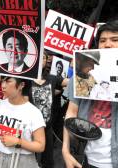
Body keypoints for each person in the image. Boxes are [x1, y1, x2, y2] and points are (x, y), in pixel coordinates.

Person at [0, 56, 46, 168]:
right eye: (2, 81)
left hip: (22, 161)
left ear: (21, 85)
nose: (3, 85)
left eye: (8, 81)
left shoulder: (33, 112)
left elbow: (40, 146)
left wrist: (18, 141)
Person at [62, 20, 118, 168]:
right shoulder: (81, 76)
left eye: (115, 40)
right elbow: (71, 113)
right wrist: (65, 151)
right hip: (83, 157)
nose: (107, 44)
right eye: (102, 40)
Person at [29, 51, 68, 168]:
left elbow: (70, 83)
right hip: (30, 127)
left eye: (44, 58)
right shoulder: (26, 80)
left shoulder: (52, 78)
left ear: (47, 61)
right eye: (39, 57)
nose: (41, 60)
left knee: (48, 160)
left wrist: (79, 67)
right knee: (30, 158)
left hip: (47, 126)